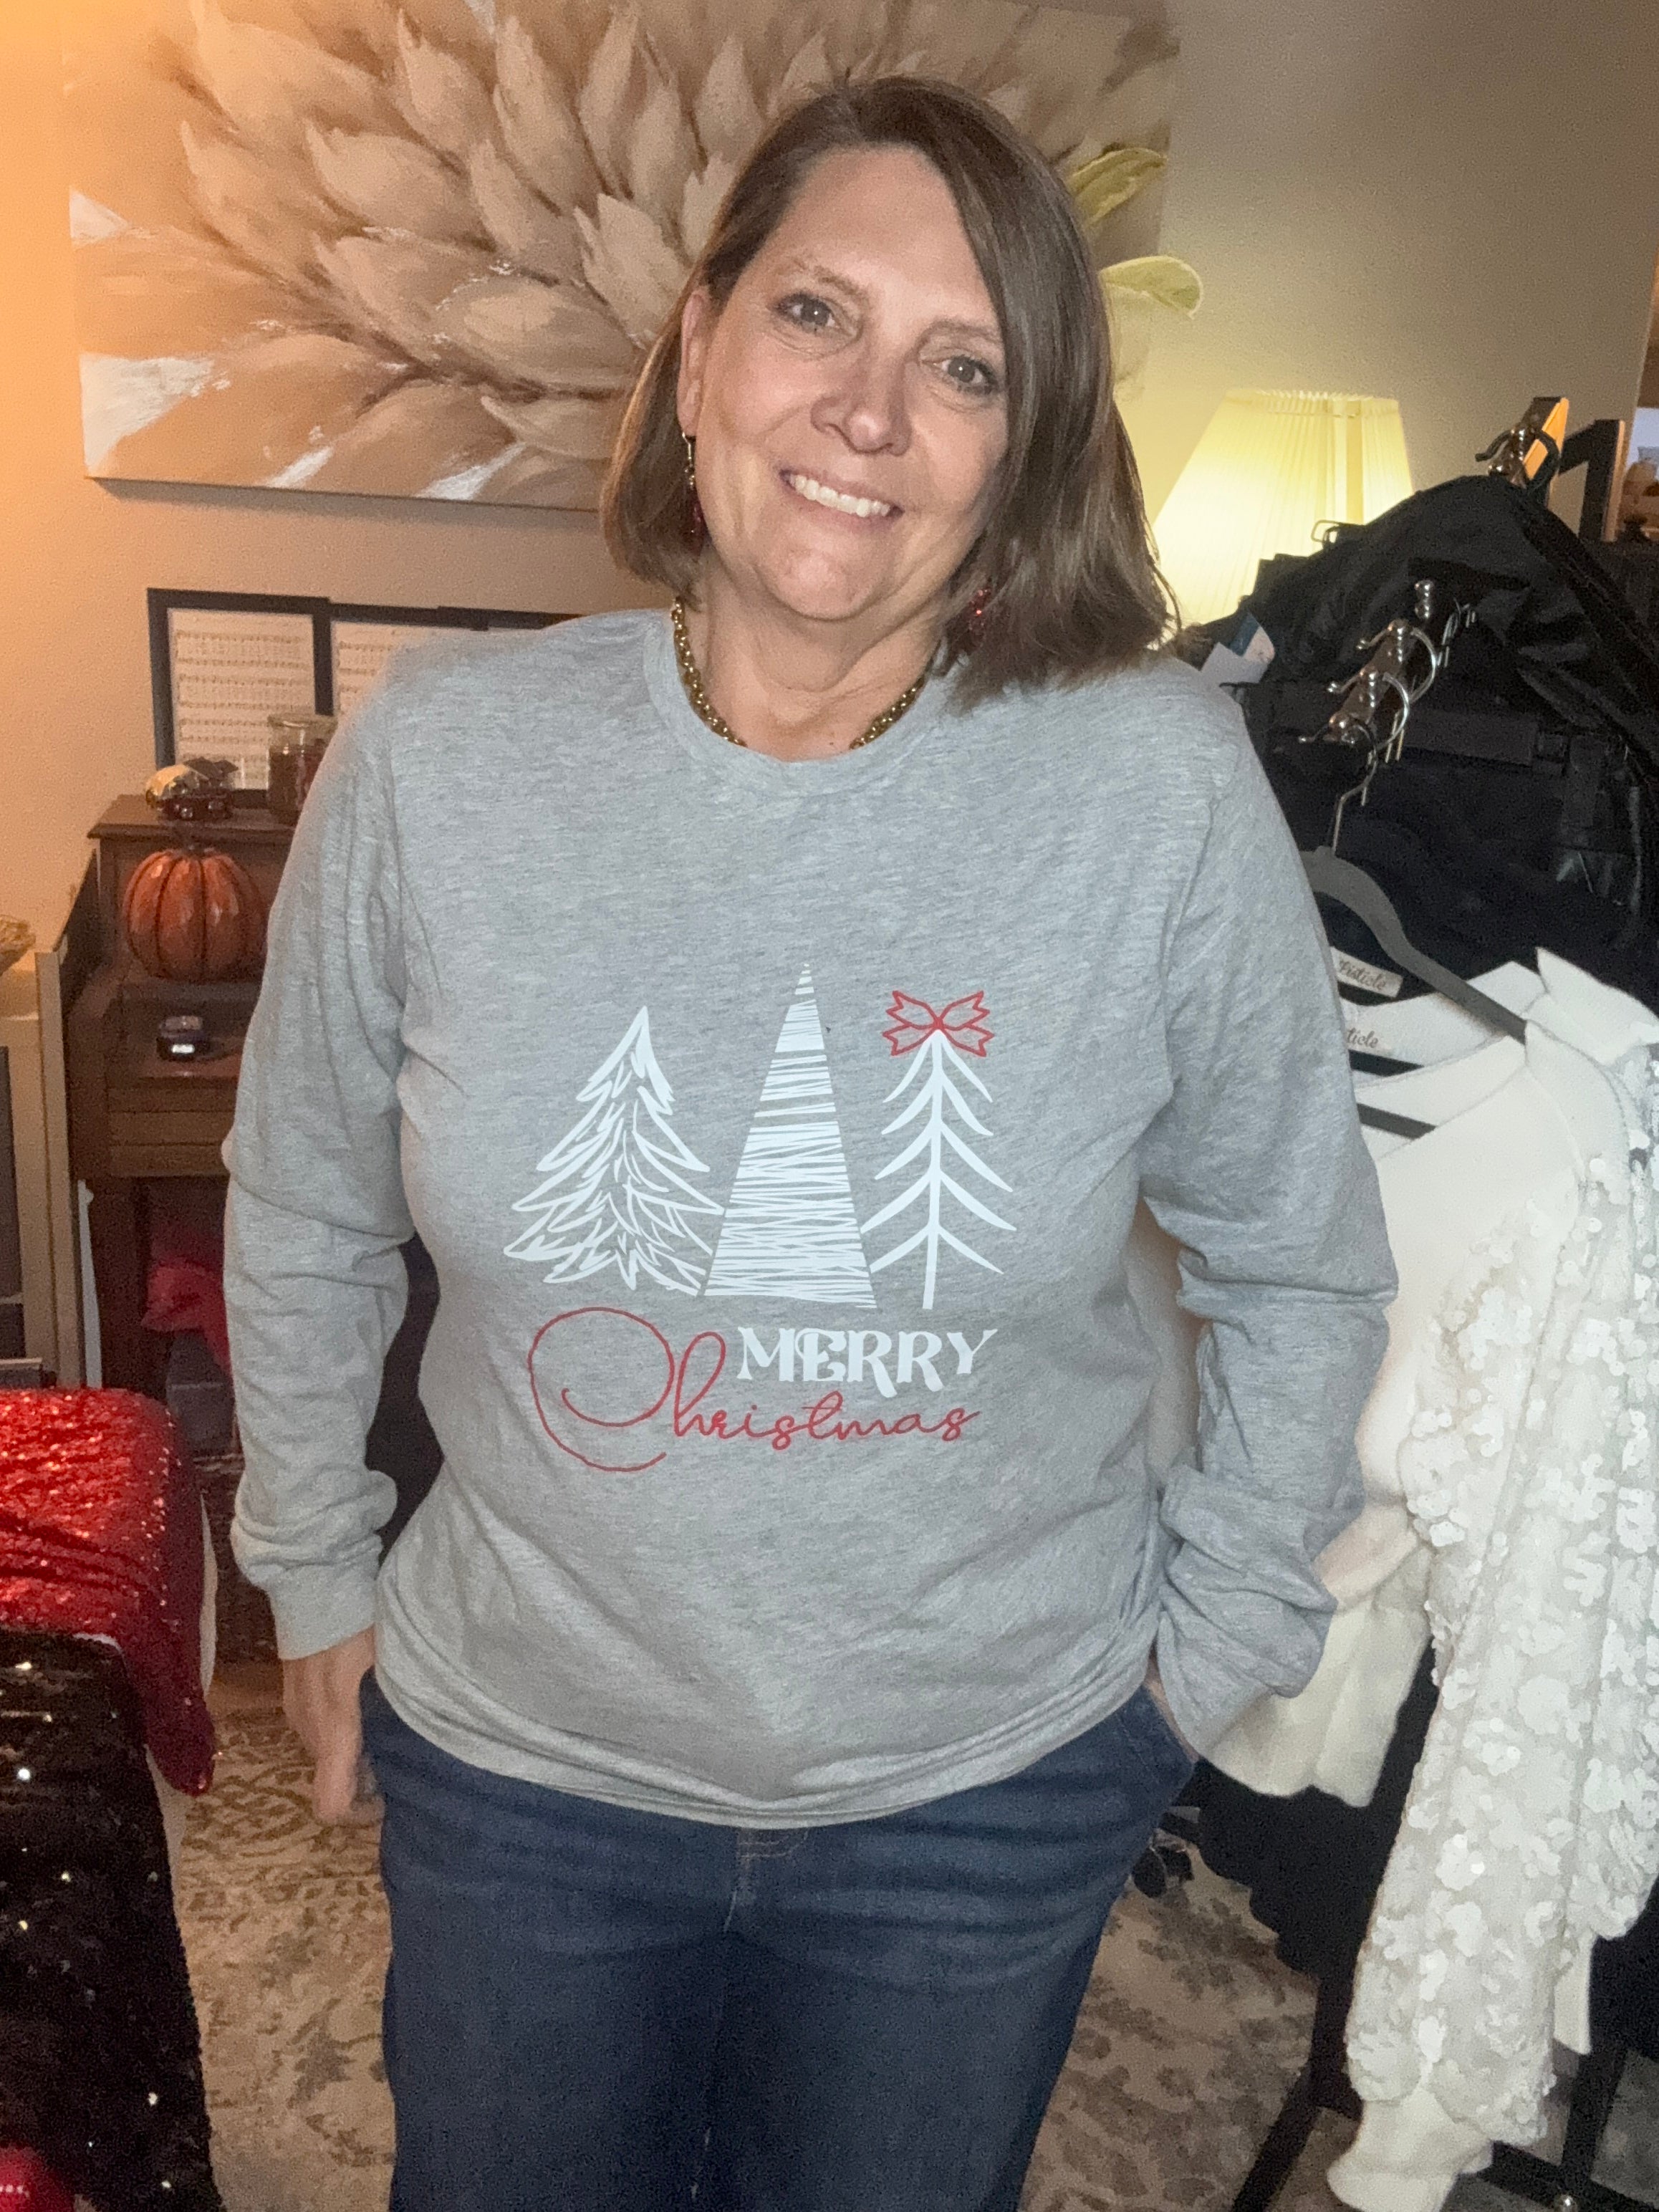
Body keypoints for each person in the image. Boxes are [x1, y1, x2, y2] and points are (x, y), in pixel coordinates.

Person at [223, 74, 1394, 2212]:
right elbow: (304, 1201)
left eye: (965, 366)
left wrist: (1203, 1655)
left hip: (983, 1798)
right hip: (526, 1775)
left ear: (1021, 449)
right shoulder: (441, 761)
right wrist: (311, 1566)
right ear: (699, 350)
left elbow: (1300, 1263)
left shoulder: (1149, 786)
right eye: (816, 313)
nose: (869, 411)